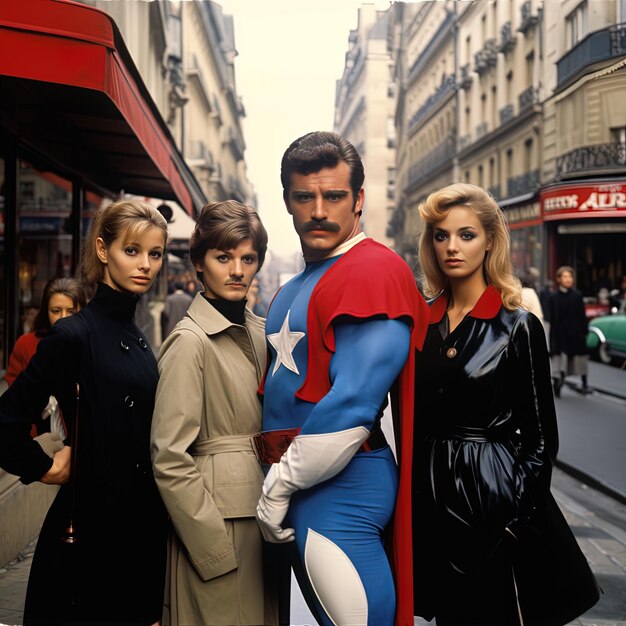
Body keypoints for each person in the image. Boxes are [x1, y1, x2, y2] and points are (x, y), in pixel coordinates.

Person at [255, 131, 428, 626]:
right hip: (308, 487)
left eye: (333, 196)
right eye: (304, 197)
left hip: (343, 491)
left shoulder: (372, 270)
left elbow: (354, 402)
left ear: (359, 199)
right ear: (286, 199)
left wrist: (277, 487)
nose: (318, 211)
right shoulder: (298, 283)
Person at [411, 183, 600, 626]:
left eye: (466, 235)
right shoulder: (421, 320)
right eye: (441, 236)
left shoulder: (517, 326)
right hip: (428, 493)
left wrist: (513, 510)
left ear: (490, 240)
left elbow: (540, 440)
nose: (451, 247)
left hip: (489, 496)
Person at [0, 198, 169, 625]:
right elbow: (6, 419)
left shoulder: (142, 337)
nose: (145, 264)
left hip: (140, 531)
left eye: (155, 253)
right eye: (131, 251)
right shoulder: (72, 335)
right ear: (101, 251)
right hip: (88, 533)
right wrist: (44, 466)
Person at [151, 200, 278, 626]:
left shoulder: (264, 332)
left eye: (247, 258)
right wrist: (212, 548)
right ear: (200, 264)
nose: (238, 270)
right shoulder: (189, 342)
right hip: (216, 527)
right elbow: (169, 457)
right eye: (223, 257)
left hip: (263, 518)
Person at [3, 277, 87, 436]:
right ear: (45, 311)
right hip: (34, 438)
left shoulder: (92, 345)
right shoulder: (26, 344)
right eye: (56, 311)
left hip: (79, 439)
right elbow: (14, 397)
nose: (63, 318)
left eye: (71, 311)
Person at [549, 266, 591, 396]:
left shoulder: (577, 296)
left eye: (570, 277)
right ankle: (557, 384)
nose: (568, 279)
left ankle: (584, 383)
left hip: (575, 333)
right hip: (560, 335)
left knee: (580, 360)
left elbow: (581, 315)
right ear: (559, 279)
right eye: (565, 277)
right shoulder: (554, 297)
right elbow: (552, 318)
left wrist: (584, 331)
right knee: (559, 361)